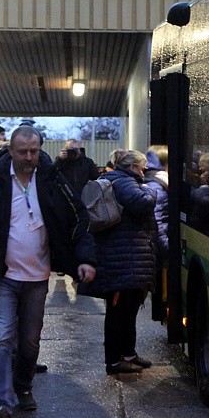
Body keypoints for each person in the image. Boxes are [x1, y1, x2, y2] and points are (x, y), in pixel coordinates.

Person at [0, 125, 96, 418]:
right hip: (1, 276)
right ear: (11, 150)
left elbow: (78, 218)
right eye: (22, 151)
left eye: (34, 151)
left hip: (36, 278)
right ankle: (0, 403)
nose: (29, 157)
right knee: (3, 338)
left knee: (30, 343)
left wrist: (83, 260)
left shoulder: (51, 181)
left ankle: (23, 386)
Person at [79, 149, 156, 375]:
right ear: (132, 167)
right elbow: (142, 203)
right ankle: (114, 360)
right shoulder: (125, 182)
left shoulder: (116, 179)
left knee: (127, 309)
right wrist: (150, 189)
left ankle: (127, 353)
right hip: (122, 258)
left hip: (123, 257)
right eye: (142, 168)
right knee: (119, 312)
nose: (144, 172)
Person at [144, 145, 169, 261]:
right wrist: (167, 247)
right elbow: (157, 221)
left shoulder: (152, 179)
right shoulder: (157, 186)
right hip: (159, 246)